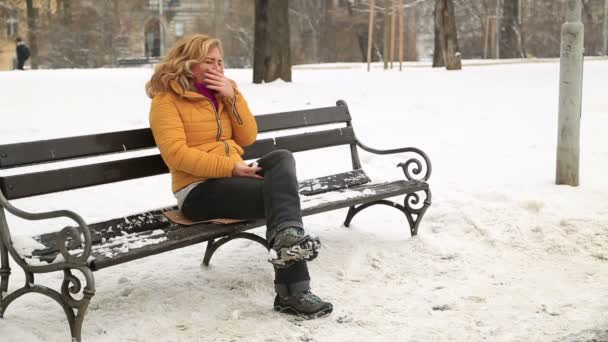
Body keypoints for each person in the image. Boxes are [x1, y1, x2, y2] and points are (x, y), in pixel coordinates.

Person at [146, 34, 333, 319]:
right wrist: (230, 168)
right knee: (281, 200)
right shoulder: (166, 100)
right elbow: (176, 155)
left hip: (234, 178)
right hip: (197, 191)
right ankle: (294, 291)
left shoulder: (224, 92)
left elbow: (247, 136)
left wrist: (232, 98)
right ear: (187, 62)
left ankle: (288, 240)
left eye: (220, 62)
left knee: (281, 158)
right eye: (208, 61)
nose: (217, 68)